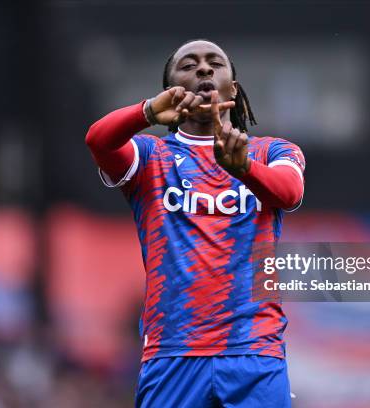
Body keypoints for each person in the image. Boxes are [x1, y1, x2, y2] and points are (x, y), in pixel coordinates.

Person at [85, 39, 305, 408]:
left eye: (214, 62)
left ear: (232, 88)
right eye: (188, 65)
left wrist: (245, 170)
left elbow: (290, 192)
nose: (203, 69)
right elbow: (99, 141)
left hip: (254, 352)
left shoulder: (271, 152)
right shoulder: (151, 155)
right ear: (171, 91)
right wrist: (148, 113)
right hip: (173, 353)